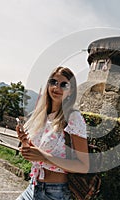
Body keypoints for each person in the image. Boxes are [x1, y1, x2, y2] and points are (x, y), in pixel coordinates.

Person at [16, 66, 89, 200]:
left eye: (64, 85)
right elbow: (38, 152)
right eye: (53, 82)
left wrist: (45, 157)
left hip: (56, 193)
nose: (57, 88)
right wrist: (25, 141)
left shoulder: (73, 118)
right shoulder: (42, 116)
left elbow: (83, 166)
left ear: (71, 91)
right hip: (33, 186)